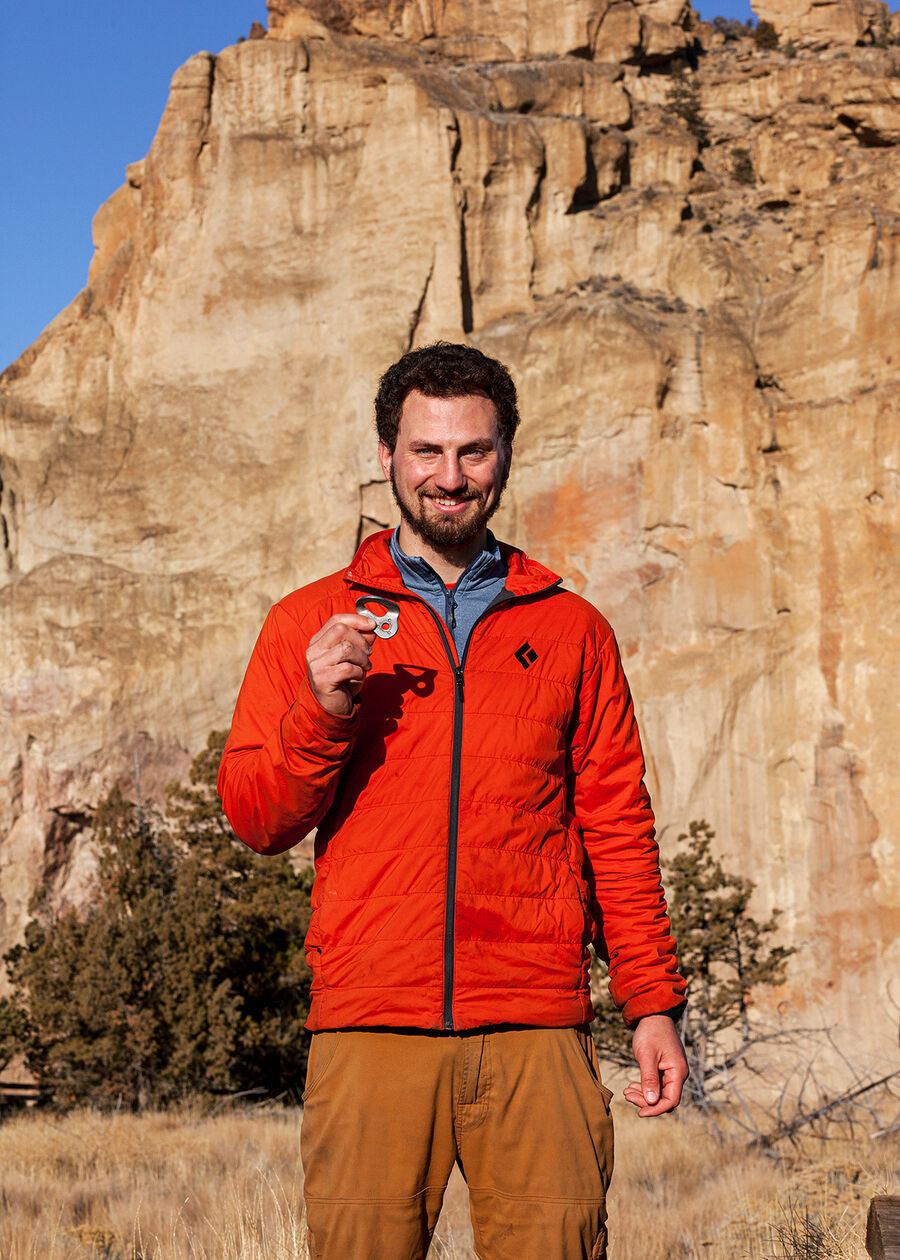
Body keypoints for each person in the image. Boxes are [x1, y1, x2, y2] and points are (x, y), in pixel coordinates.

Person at [217, 341, 688, 1260]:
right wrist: (321, 711)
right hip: (369, 1023)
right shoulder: (308, 622)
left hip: (537, 1028)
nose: (450, 476)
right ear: (388, 456)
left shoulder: (571, 630)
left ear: (506, 453)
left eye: (473, 451)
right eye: (427, 451)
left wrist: (652, 1004)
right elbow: (256, 818)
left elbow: (618, 833)